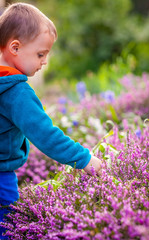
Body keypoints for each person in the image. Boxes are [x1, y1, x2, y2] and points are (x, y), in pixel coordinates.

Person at [0, 2, 102, 239]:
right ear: (15, 47)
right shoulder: (18, 93)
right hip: (2, 177)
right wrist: (83, 158)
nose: (44, 62)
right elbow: (45, 134)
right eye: (40, 54)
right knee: (9, 228)